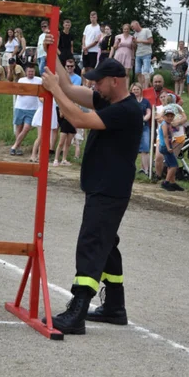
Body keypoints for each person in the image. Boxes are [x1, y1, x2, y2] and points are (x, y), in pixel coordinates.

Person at [41, 49, 142, 335]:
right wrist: (54, 53)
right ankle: (114, 307)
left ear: (115, 81)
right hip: (104, 186)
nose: (94, 86)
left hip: (109, 189)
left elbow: (79, 119)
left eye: (99, 81)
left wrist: (53, 91)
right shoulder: (110, 99)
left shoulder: (126, 110)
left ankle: (77, 311)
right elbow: (71, 89)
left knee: (91, 243)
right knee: (106, 243)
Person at [54, 57, 82, 167]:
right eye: (68, 66)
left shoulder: (78, 78)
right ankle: (56, 157)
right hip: (62, 105)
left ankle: (64, 158)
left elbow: (74, 92)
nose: (69, 68)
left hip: (71, 106)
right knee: (61, 135)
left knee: (68, 139)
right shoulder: (60, 77)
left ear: (74, 67)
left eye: (71, 66)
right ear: (65, 67)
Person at [9, 64, 42, 156]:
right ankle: (18, 148)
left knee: (27, 128)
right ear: (26, 72)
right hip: (20, 106)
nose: (31, 73)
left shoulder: (39, 80)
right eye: (29, 71)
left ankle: (14, 146)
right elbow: (19, 92)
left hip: (32, 108)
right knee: (19, 128)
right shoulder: (21, 80)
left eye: (32, 71)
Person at [158, 108, 184, 192]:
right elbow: (165, 136)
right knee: (174, 165)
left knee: (170, 165)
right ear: (164, 116)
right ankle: (166, 182)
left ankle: (172, 183)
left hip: (167, 146)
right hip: (165, 147)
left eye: (171, 116)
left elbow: (171, 134)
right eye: (167, 116)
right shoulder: (164, 124)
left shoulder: (168, 124)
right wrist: (169, 147)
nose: (169, 118)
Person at [131, 82, 152, 174]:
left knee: (145, 148)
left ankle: (146, 169)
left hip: (144, 127)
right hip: (132, 128)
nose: (136, 91)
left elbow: (149, 113)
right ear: (131, 90)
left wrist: (143, 119)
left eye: (137, 89)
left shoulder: (146, 101)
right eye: (134, 89)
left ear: (140, 90)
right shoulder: (129, 101)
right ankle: (131, 168)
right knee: (132, 148)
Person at [30, 96, 58, 163]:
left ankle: (40, 156)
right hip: (41, 117)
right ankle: (33, 155)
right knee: (40, 137)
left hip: (49, 116)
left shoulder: (53, 96)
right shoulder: (42, 95)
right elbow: (43, 100)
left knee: (45, 138)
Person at [130, 20, 153, 88]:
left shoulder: (146, 30)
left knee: (146, 71)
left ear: (137, 24)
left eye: (133, 26)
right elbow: (135, 46)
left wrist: (139, 41)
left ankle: (146, 88)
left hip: (146, 53)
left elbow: (151, 41)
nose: (132, 28)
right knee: (137, 72)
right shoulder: (135, 34)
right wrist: (134, 43)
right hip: (138, 54)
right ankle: (141, 87)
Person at [110, 24, 133, 88]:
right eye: (124, 29)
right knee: (117, 72)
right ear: (122, 29)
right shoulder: (118, 36)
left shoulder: (131, 37)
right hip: (119, 55)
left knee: (126, 74)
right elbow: (114, 47)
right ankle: (116, 87)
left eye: (127, 29)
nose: (126, 30)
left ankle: (126, 88)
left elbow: (133, 48)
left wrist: (133, 57)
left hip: (128, 55)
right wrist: (117, 42)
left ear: (129, 29)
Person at [81, 11, 101, 78]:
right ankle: (84, 84)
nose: (92, 18)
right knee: (85, 67)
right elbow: (84, 37)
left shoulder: (99, 28)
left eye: (94, 17)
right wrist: (84, 46)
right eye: (91, 17)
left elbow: (96, 41)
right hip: (85, 50)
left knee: (91, 68)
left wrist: (87, 47)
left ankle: (90, 83)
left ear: (97, 17)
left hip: (93, 50)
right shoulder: (87, 27)